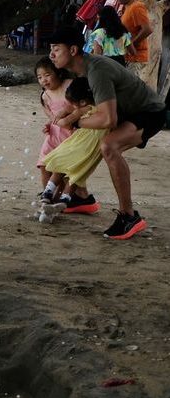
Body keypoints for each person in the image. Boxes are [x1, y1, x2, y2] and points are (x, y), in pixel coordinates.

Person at [49, 26, 166, 239]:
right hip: (128, 112)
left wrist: (75, 123)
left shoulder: (96, 71)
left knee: (109, 146)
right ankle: (81, 197)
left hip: (150, 112)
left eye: (56, 49)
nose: (51, 54)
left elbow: (107, 119)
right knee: (86, 141)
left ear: (73, 50)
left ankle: (129, 217)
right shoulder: (84, 70)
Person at [41, 78, 108, 204]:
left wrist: (59, 117)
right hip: (95, 147)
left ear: (82, 102)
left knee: (60, 162)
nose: (71, 106)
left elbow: (66, 122)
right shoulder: (103, 108)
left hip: (80, 142)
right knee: (77, 173)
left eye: (73, 103)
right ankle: (65, 199)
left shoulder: (84, 109)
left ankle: (48, 192)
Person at [35, 57, 76, 200]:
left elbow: (81, 106)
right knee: (44, 164)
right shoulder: (45, 96)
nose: (44, 80)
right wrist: (48, 124)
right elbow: (52, 116)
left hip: (71, 134)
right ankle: (47, 195)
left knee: (64, 169)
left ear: (58, 73)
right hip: (54, 134)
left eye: (47, 75)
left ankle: (59, 195)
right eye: (40, 77)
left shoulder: (69, 85)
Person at [115, 0, 154, 88]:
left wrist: (131, 44)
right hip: (127, 58)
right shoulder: (126, 7)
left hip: (135, 58)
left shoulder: (137, 7)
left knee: (130, 92)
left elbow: (148, 29)